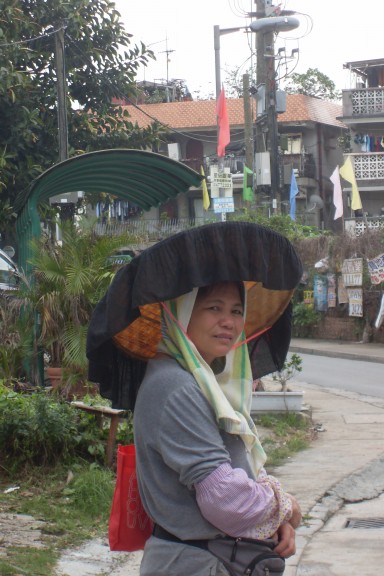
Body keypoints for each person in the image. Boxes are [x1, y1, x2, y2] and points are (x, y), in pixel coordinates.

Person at [134, 281, 302, 576]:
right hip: (194, 564)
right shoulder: (176, 386)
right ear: (181, 313)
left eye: (237, 310)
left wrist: (275, 522)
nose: (229, 321)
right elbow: (225, 499)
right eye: (214, 308)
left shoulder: (201, 382)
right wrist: (286, 507)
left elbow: (239, 465)